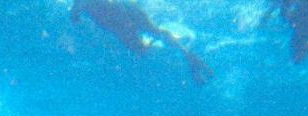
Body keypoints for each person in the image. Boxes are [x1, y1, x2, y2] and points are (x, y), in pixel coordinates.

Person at [71, 0, 213, 84]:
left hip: (119, 19)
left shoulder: (78, 3)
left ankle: (187, 59)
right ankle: (189, 58)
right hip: (126, 10)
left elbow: (75, 18)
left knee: (143, 47)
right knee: (155, 34)